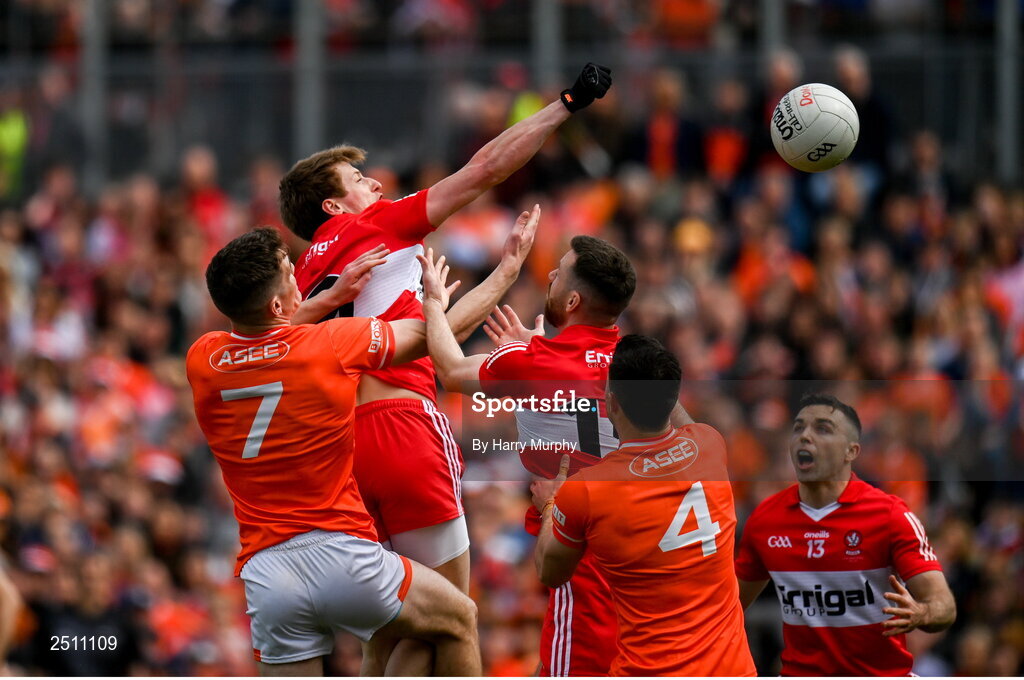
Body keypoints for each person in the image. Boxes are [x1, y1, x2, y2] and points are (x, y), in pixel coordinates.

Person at [276, 63, 612, 602]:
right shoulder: (374, 225)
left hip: (341, 446)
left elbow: (421, 338)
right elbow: (484, 170)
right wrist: (565, 104)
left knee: (397, 624)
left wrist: (504, 274)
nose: (378, 185)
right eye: (360, 181)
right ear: (333, 207)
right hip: (403, 423)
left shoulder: (303, 278)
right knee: (455, 614)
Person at [185, 222, 535, 676]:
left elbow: (258, 338)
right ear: (276, 303)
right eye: (291, 275)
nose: (298, 283)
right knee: (458, 618)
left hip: (267, 575)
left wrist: (324, 301)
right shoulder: (330, 343)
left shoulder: (202, 358)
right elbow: (429, 338)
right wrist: (440, 298)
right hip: (339, 553)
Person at [421, 238, 690, 676]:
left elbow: (449, 369)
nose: (549, 274)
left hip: (579, 553)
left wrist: (433, 302)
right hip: (650, 555)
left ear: (572, 299)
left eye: (559, 271)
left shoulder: (533, 359)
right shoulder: (637, 365)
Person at [527, 335, 756, 677]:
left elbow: (550, 571)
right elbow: (675, 413)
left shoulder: (588, 489)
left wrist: (549, 505)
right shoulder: (710, 445)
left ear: (612, 403)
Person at [735, 393, 957, 676]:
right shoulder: (766, 520)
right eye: (798, 428)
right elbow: (729, 606)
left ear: (851, 451)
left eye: (823, 429)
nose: (805, 436)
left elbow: (944, 605)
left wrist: (922, 613)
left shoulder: (890, 515)